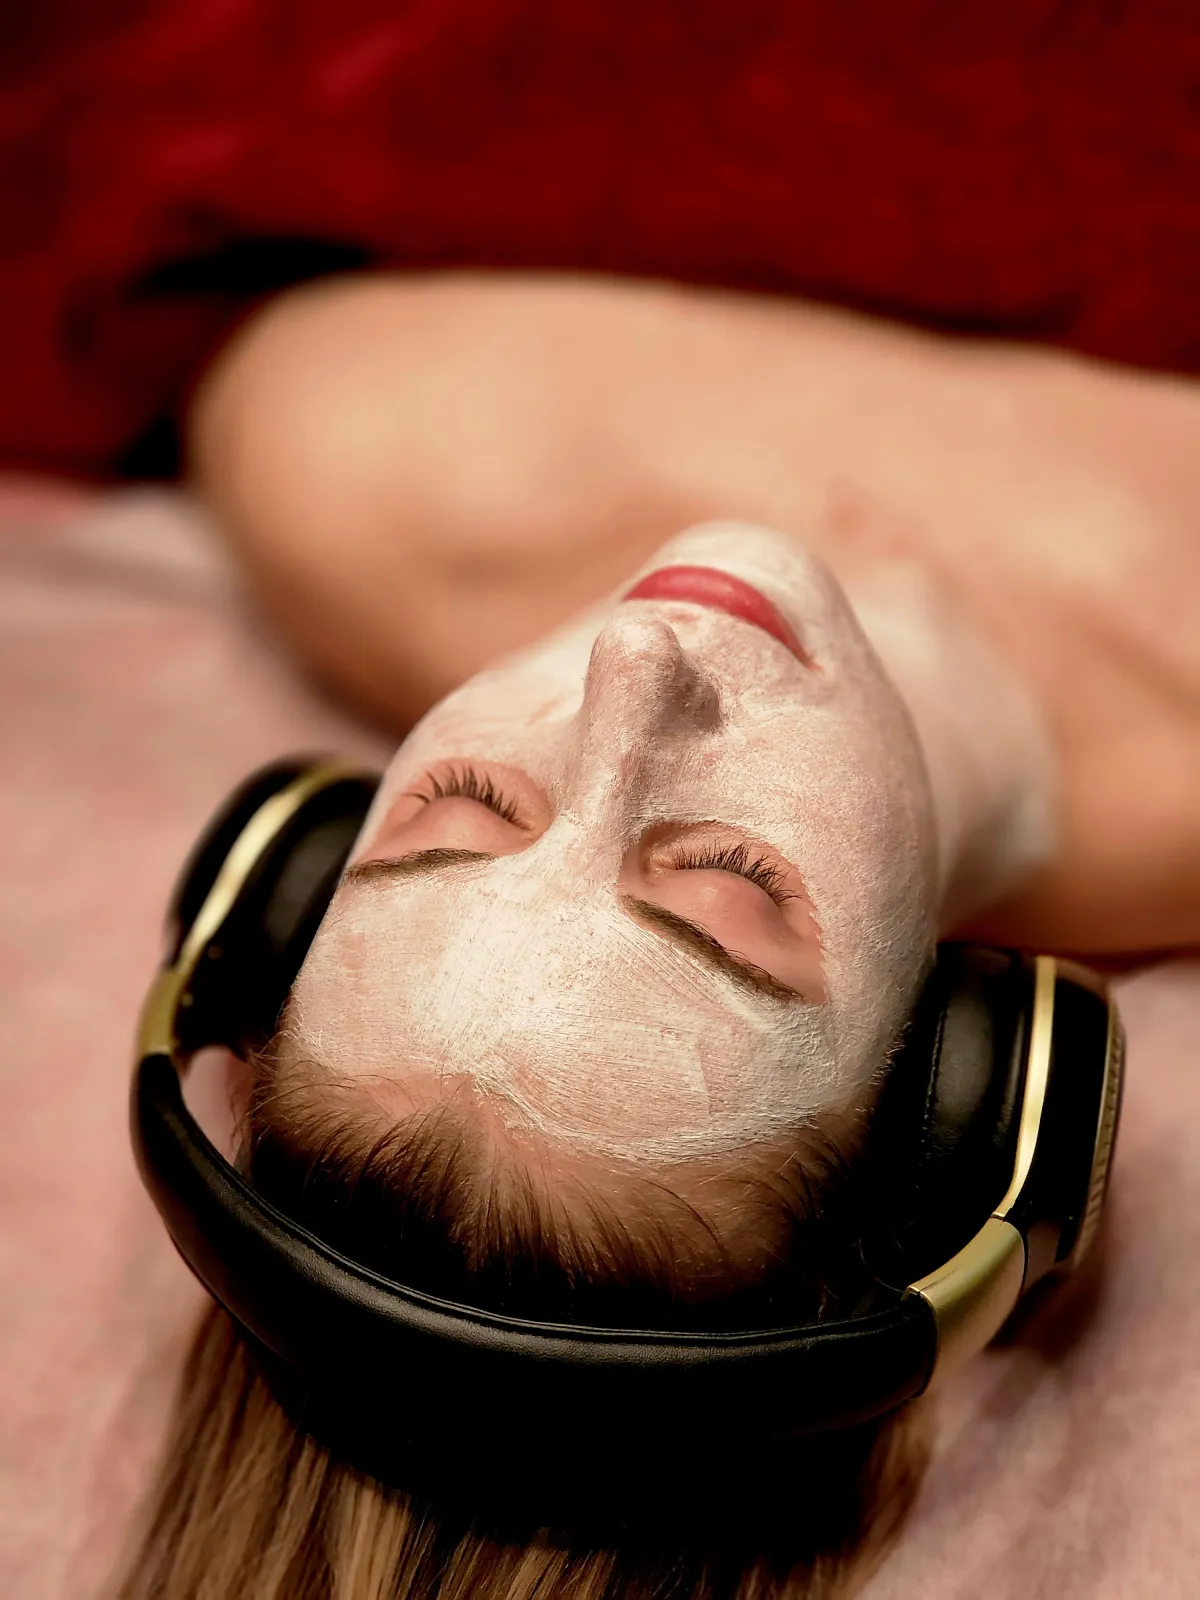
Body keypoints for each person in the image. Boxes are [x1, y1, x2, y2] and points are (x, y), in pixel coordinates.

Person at [117, 271, 1199, 1599]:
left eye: (460, 812)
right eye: (733, 886)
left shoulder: (344, 451)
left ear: (297, 869)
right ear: (954, 1086)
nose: (634, 664)